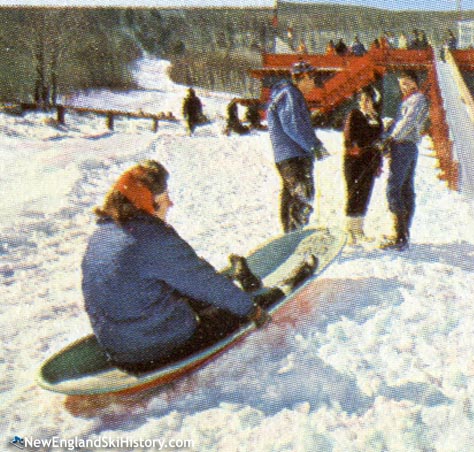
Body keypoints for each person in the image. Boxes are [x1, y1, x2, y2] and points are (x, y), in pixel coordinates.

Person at [82, 161, 316, 373]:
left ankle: (236, 285)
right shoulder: (152, 239)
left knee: (182, 281)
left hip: (116, 349)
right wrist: (251, 311)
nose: (170, 203)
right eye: (165, 198)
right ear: (148, 203)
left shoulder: (101, 236)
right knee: (227, 306)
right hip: (156, 349)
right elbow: (202, 282)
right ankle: (270, 291)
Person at [266, 61, 330, 233]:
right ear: (304, 77)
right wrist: (313, 145)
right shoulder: (290, 93)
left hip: (287, 155)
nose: (314, 83)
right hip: (294, 154)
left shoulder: (283, 94)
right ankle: (295, 236)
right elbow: (292, 124)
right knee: (303, 196)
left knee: (291, 198)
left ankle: (289, 234)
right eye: (313, 78)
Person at [378, 70, 429, 251]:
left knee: (395, 189)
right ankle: (402, 232)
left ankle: (400, 235)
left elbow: (408, 122)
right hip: (404, 146)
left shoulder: (418, 99)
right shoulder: (409, 100)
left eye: (407, 83)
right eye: (401, 85)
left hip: (404, 146)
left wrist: (391, 138)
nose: (403, 87)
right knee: (405, 188)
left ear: (415, 82)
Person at [342, 87, 383, 244]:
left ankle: (358, 229)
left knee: (365, 194)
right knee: (354, 193)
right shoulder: (355, 115)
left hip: (370, 162)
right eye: (362, 100)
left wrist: (378, 162)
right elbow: (349, 136)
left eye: (368, 100)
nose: (364, 103)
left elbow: (378, 142)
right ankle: (349, 230)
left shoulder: (376, 120)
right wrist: (356, 147)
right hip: (355, 161)